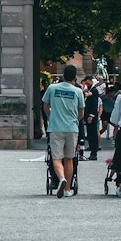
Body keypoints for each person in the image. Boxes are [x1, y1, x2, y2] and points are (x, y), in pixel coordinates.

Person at [42, 64, 85, 197]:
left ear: (62, 75)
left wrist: (51, 117)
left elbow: (45, 106)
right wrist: (74, 120)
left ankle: (61, 178)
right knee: (69, 158)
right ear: (74, 77)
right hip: (72, 128)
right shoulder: (78, 91)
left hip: (56, 127)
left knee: (56, 158)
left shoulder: (52, 88)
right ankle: (67, 189)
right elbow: (81, 113)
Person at [83, 77, 101, 159]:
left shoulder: (94, 90)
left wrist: (91, 115)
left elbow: (94, 104)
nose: (86, 84)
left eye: (87, 82)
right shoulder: (90, 90)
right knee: (90, 133)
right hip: (88, 115)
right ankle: (92, 147)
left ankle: (94, 151)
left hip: (92, 115)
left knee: (93, 133)